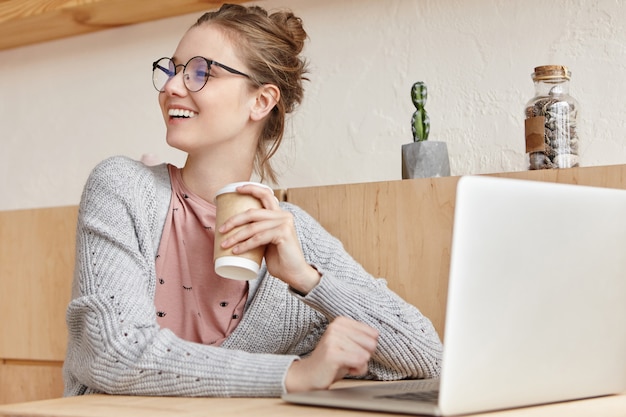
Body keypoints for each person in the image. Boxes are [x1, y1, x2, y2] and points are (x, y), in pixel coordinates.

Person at [63, 3, 443, 398]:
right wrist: (292, 374)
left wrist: (307, 279)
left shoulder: (291, 235)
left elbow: (428, 356)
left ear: (261, 101)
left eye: (199, 73)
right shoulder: (123, 188)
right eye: (173, 70)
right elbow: (113, 353)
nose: (172, 87)